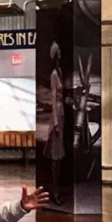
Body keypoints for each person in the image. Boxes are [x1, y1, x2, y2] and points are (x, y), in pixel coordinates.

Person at [44, 41, 66, 206]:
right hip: (57, 117)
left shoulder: (59, 72)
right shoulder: (54, 74)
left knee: (59, 159)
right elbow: (53, 97)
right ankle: (54, 191)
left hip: (61, 114)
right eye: (58, 52)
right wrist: (56, 122)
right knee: (55, 157)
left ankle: (56, 189)